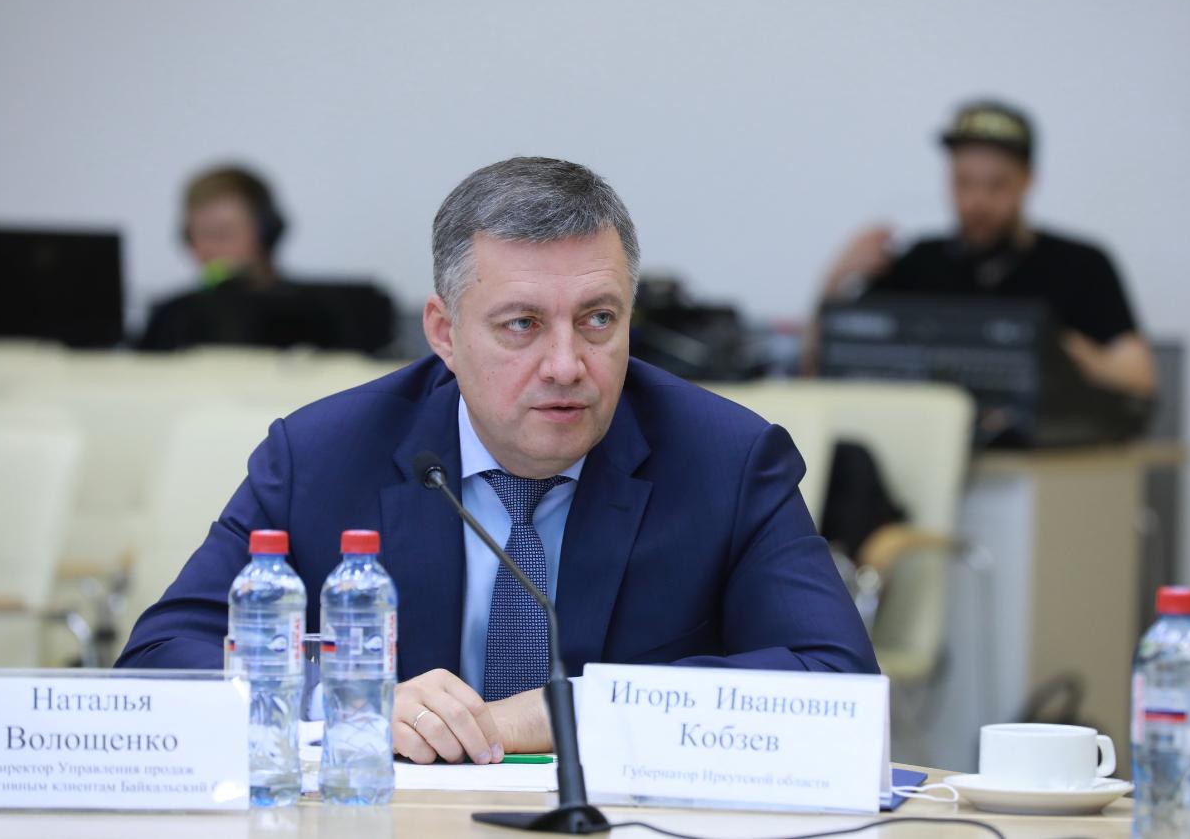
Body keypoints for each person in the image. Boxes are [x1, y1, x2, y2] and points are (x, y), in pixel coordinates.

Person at [118, 157, 878, 765]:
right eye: (521, 325)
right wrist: (346, 701)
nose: (566, 365)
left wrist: (566, 712)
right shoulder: (322, 456)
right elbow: (159, 662)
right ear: (444, 333)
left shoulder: (726, 461)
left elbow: (839, 687)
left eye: (598, 320)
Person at [814, 100, 1156, 398]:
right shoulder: (917, 262)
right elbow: (819, 370)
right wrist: (834, 279)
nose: (977, 202)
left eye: (996, 185)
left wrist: (1062, 351)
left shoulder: (1080, 265)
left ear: (1027, 181)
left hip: (1044, 452)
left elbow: (1140, 379)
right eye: (963, 182)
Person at [139, 165, 392, 352]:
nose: (211, 248)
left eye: (224, 233)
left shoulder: (324, 314)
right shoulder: (171, 317)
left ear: (267, 232)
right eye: (201, 234)